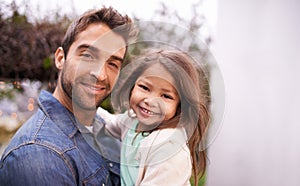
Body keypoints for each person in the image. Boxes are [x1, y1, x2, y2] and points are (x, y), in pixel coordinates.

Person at [0, 6, 137, 185]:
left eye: (112, 63)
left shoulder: (103, 126)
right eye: (88, 55)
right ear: (60, 58)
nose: (100, 75)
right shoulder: (40, 155)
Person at [97, 49, 210, 185]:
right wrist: (84, 106)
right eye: (145, 87)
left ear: (180, 105)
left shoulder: (169, 149)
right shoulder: (132, 121)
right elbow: (107, 121)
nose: (150, 101)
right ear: (133, 85)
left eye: (166, 96)